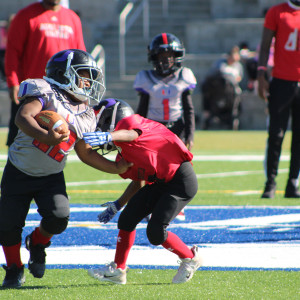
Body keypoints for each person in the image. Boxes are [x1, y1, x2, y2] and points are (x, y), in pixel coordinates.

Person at [0, 49, 132, 288]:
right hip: (19, 171)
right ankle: (13, 268)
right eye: (83, 75)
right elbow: (23, 117)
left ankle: (37, 242)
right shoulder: (44, 90)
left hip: (51, 176)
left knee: (59, 218)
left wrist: (115, 168)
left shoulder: (87, 114)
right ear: (63, 73)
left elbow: (85, 153)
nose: (89, 82)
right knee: (8, 225)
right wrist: (45, 136)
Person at [83, 98, 202, 285]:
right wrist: (117, 205)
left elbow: (132, 134)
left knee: (155, 232)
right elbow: (138, 181)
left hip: (181, 180)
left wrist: (110, 136)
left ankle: (191, 258)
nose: (99, 129)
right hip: (160, 182)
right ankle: (119, 269)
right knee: (127, 218)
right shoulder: (124, 152)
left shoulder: (131, 122)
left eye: (101, 124)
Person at [5, 0, 86, 147]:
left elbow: (79, 56)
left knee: (55, 145)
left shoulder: (72, 18)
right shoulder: (25, 15)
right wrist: (13, 82)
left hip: (61, 94)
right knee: (20, 142)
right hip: (30, 92)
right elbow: (12, 52)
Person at [134, 33, 196, 221]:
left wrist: (190, 135)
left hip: (176, 127)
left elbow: (189, 109)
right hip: (154, 128)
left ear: (176, 57)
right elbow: (142, 109)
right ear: (154, 57)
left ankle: (178, 203)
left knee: (179, 168)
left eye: (169, 56)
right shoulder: (145, 77)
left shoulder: (184, 75)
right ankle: (152, 204)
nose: (166, 60)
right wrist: (138, 132)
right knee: (152, 168)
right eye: (162, 56)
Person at [258, 0, 300, 198]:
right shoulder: (277, 12)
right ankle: (270, 183)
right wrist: (261, 73)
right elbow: (265, 46)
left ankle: (293, 183)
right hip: (282, 81)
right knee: (276, 135)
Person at [201, 46, 243, 130]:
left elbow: (239, 78)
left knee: (237, 95)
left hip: (231, 92)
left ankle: (234, 116)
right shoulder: (220, 64)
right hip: (216, 90)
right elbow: (218, 75)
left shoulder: (238, 66)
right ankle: (207, 114)